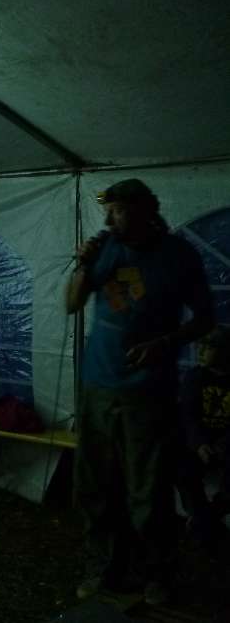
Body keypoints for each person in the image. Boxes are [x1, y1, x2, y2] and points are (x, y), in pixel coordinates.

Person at [65, 178, 214, 606]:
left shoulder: (179, 255)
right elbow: (71, 304)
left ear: (147, 210)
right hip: (97, 385)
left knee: (148, 490)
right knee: (95, 485)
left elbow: (205, 318)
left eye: (118, 210)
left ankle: (158, 573)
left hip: (148, 391)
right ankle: (103, 567)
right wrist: (83, 265)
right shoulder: (104, 248)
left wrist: (164, 343)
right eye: (107, 211)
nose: (109, 219)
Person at [176, 325, 230, 547]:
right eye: (200, 345)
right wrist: (200, 444)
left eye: (208, 347)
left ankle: (206, 518)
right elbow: (188, 415)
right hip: (199, 442)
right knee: (182, 468)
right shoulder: (195, 377)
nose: (200, 351)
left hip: (225, 445)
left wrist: (222, 445)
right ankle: (203, 518)